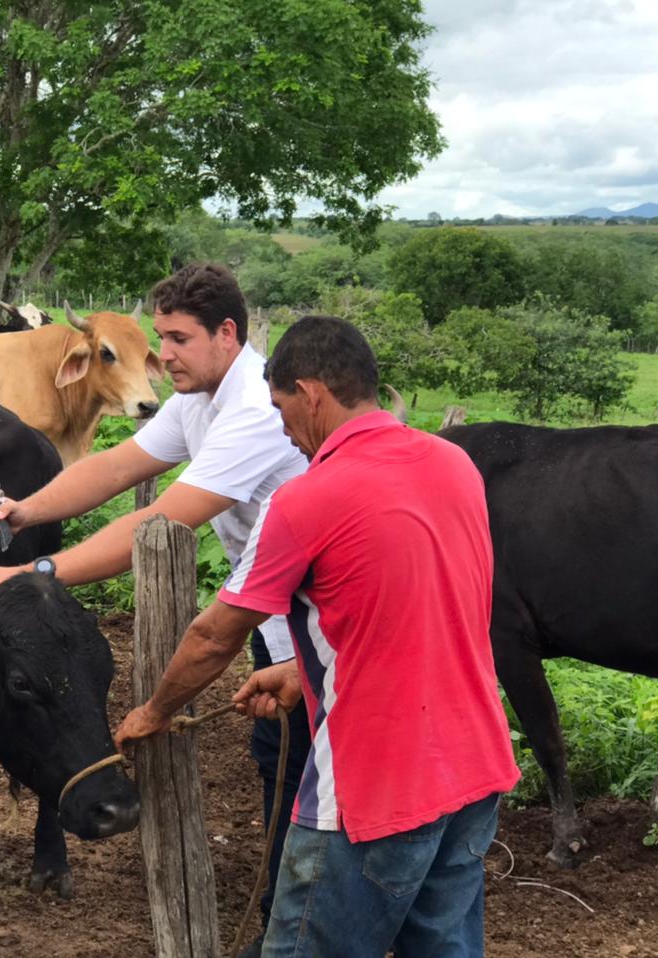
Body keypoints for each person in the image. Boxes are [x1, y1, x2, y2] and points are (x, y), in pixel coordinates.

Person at [114, 315, 521, 957]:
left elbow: (215, 637)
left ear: (311, 393)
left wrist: (154, 711)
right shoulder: (454, 464)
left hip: (372, 786)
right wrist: (305, 675)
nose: (281, 427)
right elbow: (418, 610)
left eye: (280, 407)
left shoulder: (308, 498)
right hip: (473, 767)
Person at [0, 263, 311, 951]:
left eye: (178, 339)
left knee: (305, 776)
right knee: (282, 766)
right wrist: (23, 508)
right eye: (161, 337)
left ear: (227, 333)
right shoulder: (202, 397)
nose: (165, 357)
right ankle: (286, 917)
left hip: (318, 621)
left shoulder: (254, 412)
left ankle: (295, 930)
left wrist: (32, 571)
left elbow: (164, 523)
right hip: (278, 615)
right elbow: (121, 465)